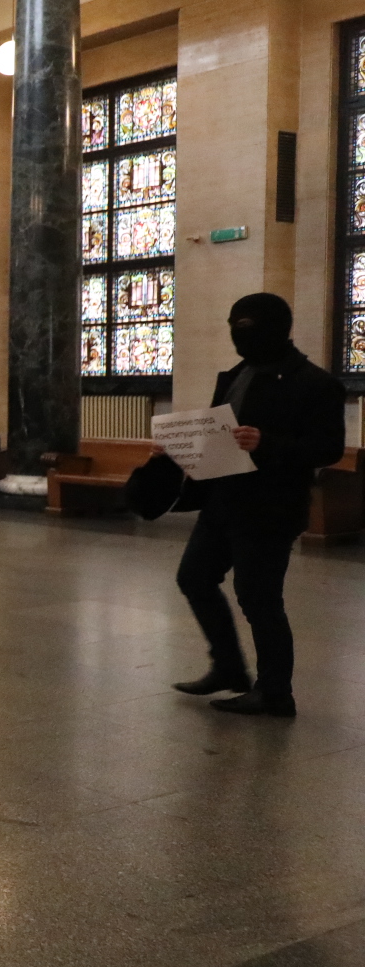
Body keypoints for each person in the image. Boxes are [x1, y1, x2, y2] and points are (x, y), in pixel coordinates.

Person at [168, 293, 344, 717]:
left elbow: (328, 448)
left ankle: (275, 692)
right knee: (194, 577)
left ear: (276, 328)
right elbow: (220, 432)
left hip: (270, 508)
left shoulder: (316, 384)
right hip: (224, 501)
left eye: (247, 327)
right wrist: (184, 449)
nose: (238, 335)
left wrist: (268, 444)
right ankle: (228, 666)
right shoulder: (237, 374)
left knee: (259, 598)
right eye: (234, 325)